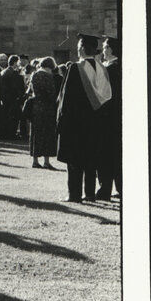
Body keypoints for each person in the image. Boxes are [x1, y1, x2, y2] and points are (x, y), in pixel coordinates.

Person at [56, 33, 111, 203]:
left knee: (75, 159)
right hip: (97, 123)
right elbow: (107, 99)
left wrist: (61, 120)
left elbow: (65, 99)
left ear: (81, 48)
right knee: (91, 158)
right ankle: (90, 194)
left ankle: (74, 194)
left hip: (76, 124)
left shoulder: (75, 68)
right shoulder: (103, 69)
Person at [95, 36, 121, 200]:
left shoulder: (110, 69)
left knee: (105, 155)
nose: (103, 50)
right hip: (116, 118)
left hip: (106, 118)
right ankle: (120, 188)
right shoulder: (117, 66)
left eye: (105, 47)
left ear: (111, 49)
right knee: (116, 154)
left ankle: (105, 189)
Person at [26, 57, 59, 169]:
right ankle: (46, 161)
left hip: (35, 106)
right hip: (46, 107)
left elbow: (30, 90)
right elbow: (51, 93)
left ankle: (35, 160)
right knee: (47, 133)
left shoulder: (34, 75)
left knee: (35, 133)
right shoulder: (48, 76)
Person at [0, 55, 25, 140]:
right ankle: (11, 134)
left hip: (5, 97)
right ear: (14, 62)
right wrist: (19, 96)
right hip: (12, 98)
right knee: (12, 117)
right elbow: (15, 87)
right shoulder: (13, 73)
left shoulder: (3, 71)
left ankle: (4, 133)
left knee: (5, 116)